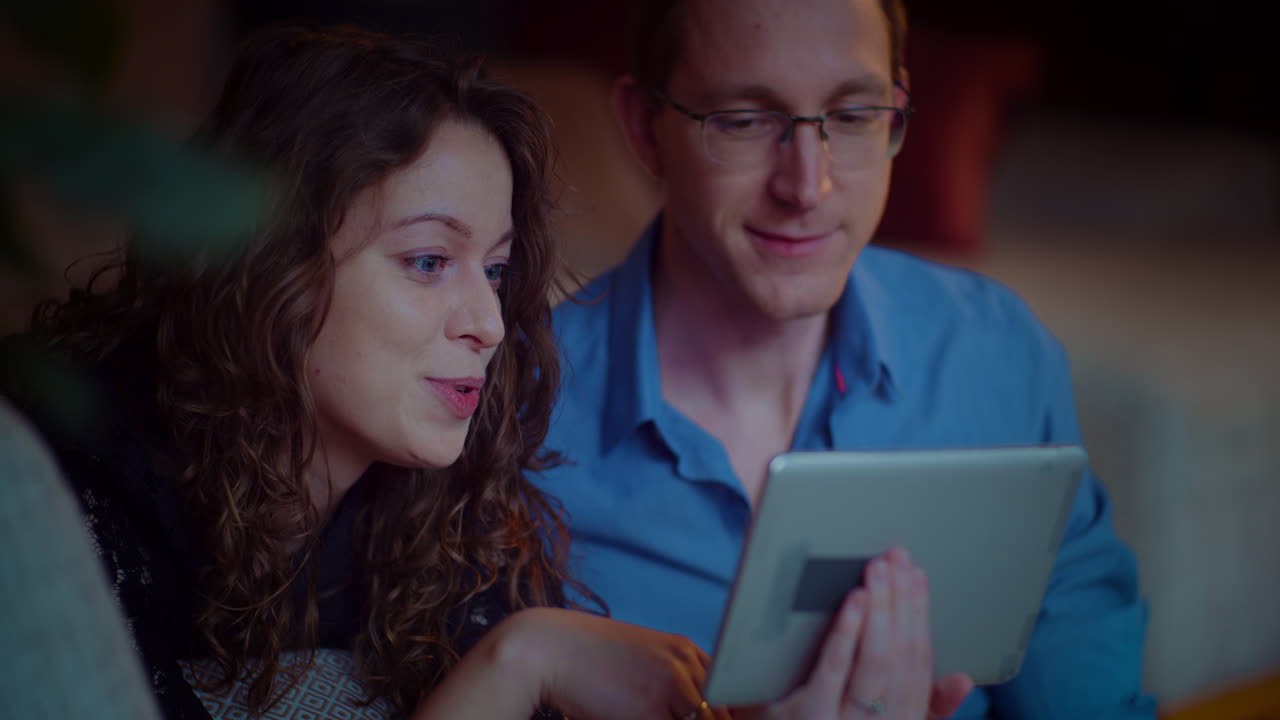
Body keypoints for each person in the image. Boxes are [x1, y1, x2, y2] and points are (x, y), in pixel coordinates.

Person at [1, 24, 755, 720]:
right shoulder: (67, 487)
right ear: (271, 264)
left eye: (494, 270)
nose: (489, 326)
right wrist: (516, 664)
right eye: (428, 261)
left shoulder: (450, 502)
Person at [533, 0, 1157, 718]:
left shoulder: (993, 354)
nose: (808, 186)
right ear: (646, 129)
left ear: (895, 110)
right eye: (744, 120)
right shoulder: (509, 412)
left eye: (853, 117)